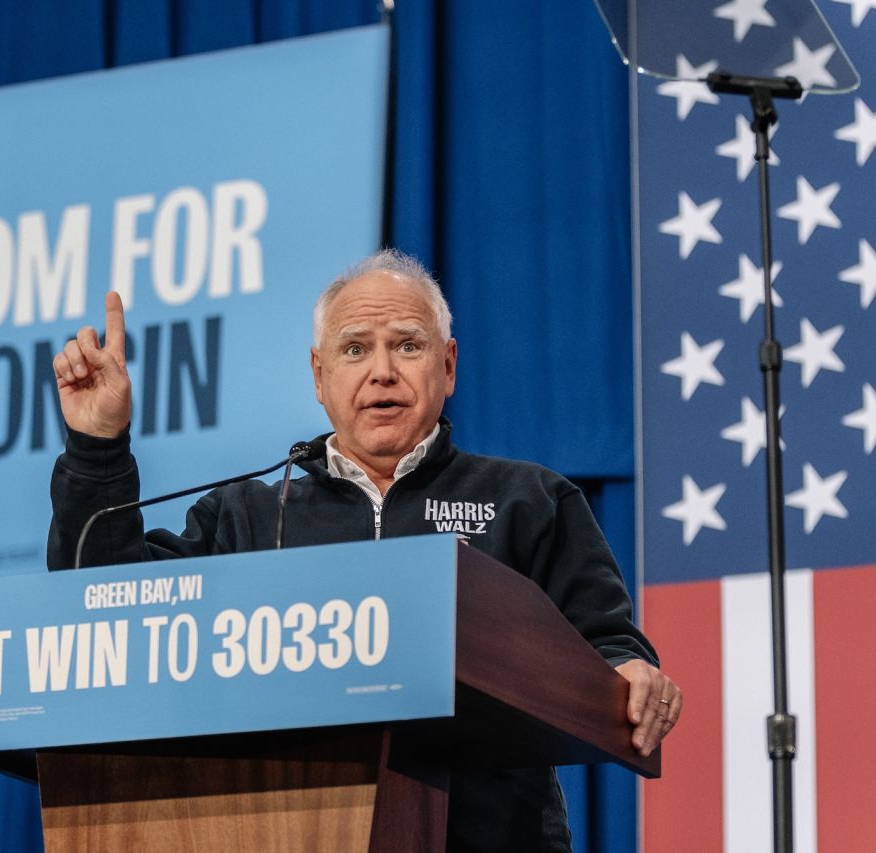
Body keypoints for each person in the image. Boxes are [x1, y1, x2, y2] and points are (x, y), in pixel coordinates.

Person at [47, 249, 681, 852]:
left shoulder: (530, 500)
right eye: (355, 349)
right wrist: (97, 446)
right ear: (320, 376)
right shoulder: (245, 516)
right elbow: (108, 611)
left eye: (407, 345)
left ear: (449, 366)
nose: (383, 370)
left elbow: (608, 648)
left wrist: (629, 674)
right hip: (279, 829)